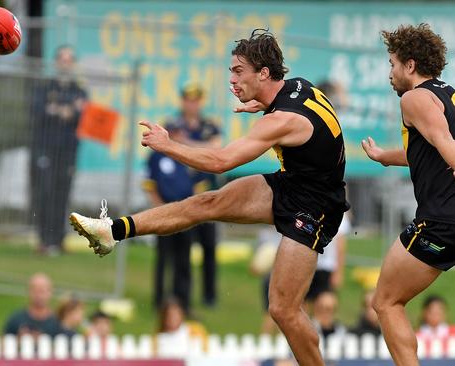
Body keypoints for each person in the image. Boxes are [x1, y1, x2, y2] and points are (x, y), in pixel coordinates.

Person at [70, 28, 349, 364]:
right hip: (295, 183)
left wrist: (167, 145)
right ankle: (111, 231)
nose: (232, 80)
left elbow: (220, 161)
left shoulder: (281, 120)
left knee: (283, 310)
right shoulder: (297, 88)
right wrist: (260, 102)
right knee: (206, 203)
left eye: (238, 72)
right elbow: (311, 118)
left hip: (316, 207)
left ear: (263, 73)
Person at [360, 23, 455, 365]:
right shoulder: (449, 94)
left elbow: (446, 146)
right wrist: (386, 157)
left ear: (410, 65)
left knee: (385, 301)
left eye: (392, 63)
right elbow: (432, 146)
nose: (391, 73)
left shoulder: (415, 98)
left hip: (441, 221)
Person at [29, 45, 88, 255]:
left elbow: (83, 116)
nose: (66, 63)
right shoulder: (45, 88)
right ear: (56, 63)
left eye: (69, 59)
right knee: (45, 193)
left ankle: (58, 239)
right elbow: (38, 111)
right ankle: (44, 239)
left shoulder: (79, 90)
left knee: (62, 195)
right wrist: (65, 111)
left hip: (68, 151)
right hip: (46, 149)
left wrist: (63, 111)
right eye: (62, 59)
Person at [168, 83, 221, 307]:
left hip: (208, 197)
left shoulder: (210, 126)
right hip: (182, 195)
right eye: (188, 99)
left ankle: (209, 296)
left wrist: (185, 143)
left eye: (196, 100)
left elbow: (217, 149)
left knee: (209, 247)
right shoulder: (172, 124)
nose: (192, 104)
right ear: (183, 101)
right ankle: (181, 296)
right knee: (182, 250)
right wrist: (200, 147)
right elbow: (167, 148)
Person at [143, 122, 194, 313]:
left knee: (184, 261)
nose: (177, 135)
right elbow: (149, 184)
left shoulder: (188, 154)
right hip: (165, 214)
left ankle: (183, 303)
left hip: (187, 214)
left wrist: (191, 209)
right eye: (173, 132)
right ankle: (159, 302)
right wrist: (160, 209)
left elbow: (198, 184)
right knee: (163, 259)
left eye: (179, 132)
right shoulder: (156, 156)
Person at [3, 273, 61, 338]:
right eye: (35, 291)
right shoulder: (16, 319)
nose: (39, 296)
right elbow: (4, 342)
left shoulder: (58, 322)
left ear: (50, 292)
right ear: (29, 291)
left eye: (42, 291)